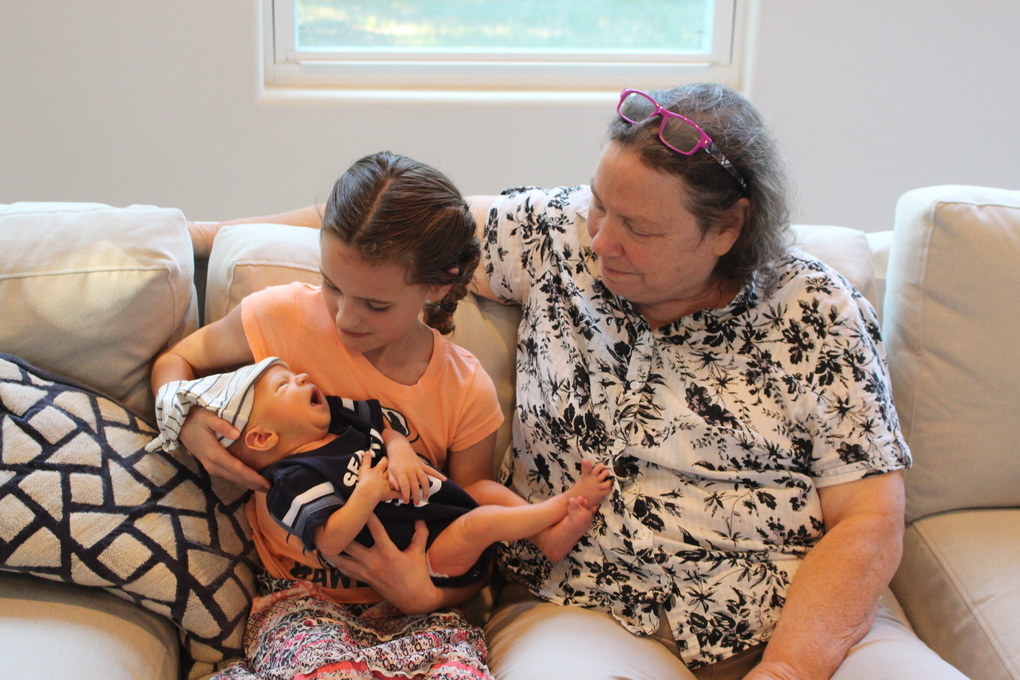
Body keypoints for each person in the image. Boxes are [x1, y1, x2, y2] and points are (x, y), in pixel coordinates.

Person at [203, 85, 969, 680]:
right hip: (588, 607)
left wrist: (790, 667)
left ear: (728, 228)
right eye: (600, 203)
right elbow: (388, 230)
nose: (601, 239)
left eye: (639, 228)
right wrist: (194, 237)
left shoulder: (818, 312)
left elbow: (868, 519)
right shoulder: (555, 236)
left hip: (798, 617)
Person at [157, 151, 565, 680]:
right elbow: (177, 362)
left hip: (419, 608)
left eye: (376, 305)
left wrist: (425, 596)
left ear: (437, 287)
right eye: (332, 285)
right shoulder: (282, 317)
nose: (346, 318)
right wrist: (184, 418)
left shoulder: (464, 388)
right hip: (298, 600)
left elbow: (472, 526)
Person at [148, 357, 612, 593]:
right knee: (479, 523)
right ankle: (560, 505)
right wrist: (365, 493)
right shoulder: (291, 481)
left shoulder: (336, 419)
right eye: (284, 385)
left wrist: (401, 450)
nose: (302, 377)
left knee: (484, 490)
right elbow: (330, 541)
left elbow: (386, 428)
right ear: (263, 438)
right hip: (427, 558)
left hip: (444, 507)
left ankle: (547, 539)